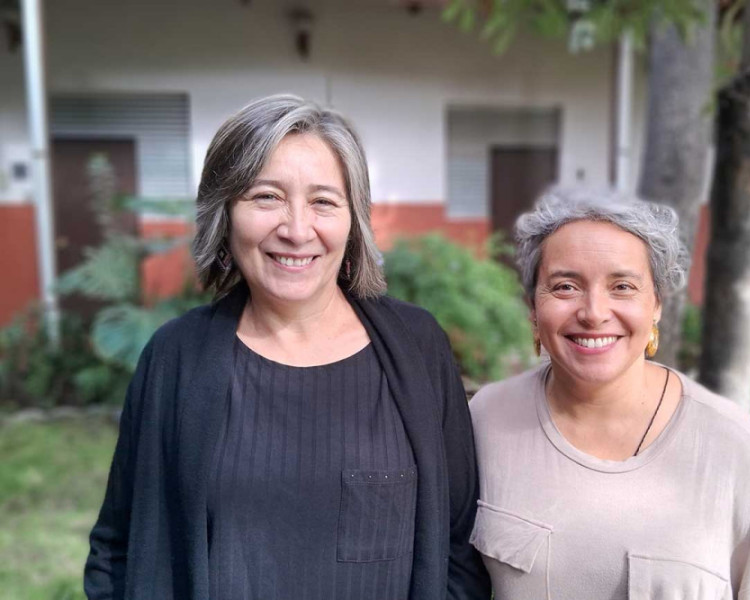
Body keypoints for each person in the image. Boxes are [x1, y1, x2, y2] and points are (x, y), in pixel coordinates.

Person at [84, 94, 490, 600]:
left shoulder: (417, 347)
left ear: (353, 221)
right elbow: (118, 550)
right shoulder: (175, 358)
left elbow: (460, 545)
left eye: (323, 201)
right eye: (266, 197)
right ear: (225, 214)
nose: (297, 231)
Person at [468, 187, 750, 599]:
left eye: (623, 287)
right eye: (565, 287)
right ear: (533, 308)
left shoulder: (732, 447)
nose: (594, 313)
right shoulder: (486, 420)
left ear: (657, 306)